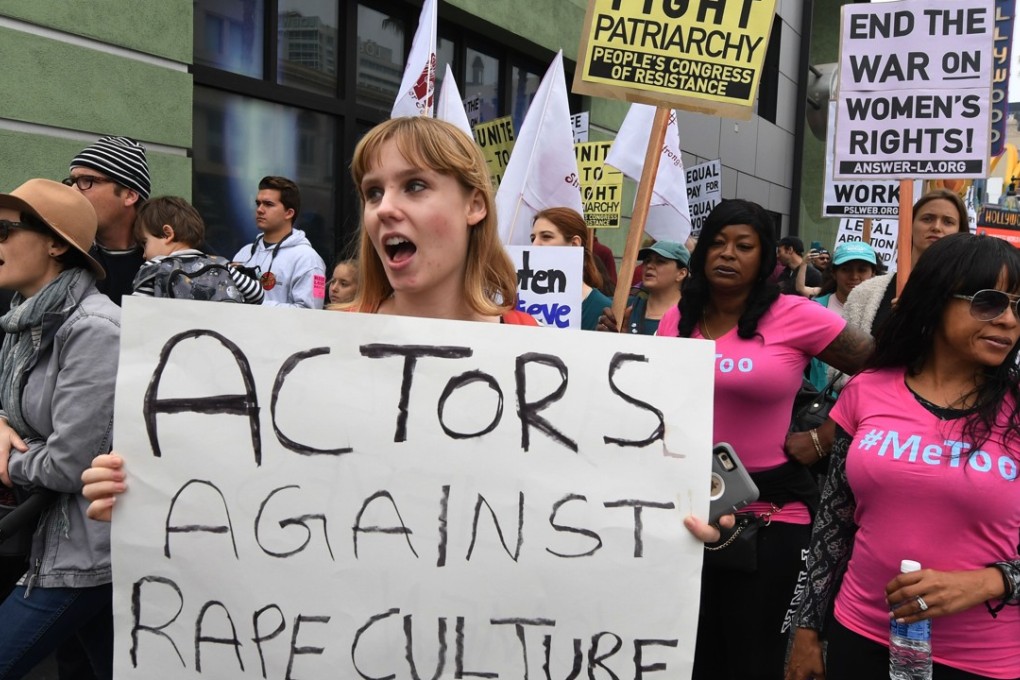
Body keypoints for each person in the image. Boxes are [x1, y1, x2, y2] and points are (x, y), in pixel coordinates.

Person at [654, 199, 873, 680]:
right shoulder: (678, 320)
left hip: (771, 516)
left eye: (743, 246)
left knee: (753, 661)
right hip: (687, 514)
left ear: (766, 257)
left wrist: (825, 435)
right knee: (691, 657)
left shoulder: (796, 315)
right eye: (716, 242)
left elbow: (884, 374)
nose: (726, 254)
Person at [786, 233, 1020, 680]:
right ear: (935, 300)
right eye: (990, 302)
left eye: (1018, 306)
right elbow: (833, 525)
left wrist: (988, 582)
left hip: (980, 659)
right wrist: (807, 629)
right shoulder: (867, 389)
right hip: (859, 638)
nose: (1009, 320)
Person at [0, 179, 120, 678]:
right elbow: (13, 410)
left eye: (5, 230)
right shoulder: (23, 323)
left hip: (83, 551)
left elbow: (71, 464)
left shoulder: (93, 329)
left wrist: (7, 461)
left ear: (55, 243)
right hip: (49, 538)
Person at [844, 188, 969, 338]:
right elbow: (843, 357)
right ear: (909, 225)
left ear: (961, 232)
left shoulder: (969, 294)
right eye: (927, 218)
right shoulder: (865, 293)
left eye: (948, 222)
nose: (936, 227)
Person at [65, 135, 151, 306]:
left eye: (87, 181)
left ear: (129, 195)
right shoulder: (63, 253)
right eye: (72, 181)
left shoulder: (179, 257)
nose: (73, 191)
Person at [131, 196, 263, 303]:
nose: (143, 254)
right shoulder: (222, 266)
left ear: (167, 234)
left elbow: (138, 313)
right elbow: (257, 293)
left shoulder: (154, 268)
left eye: (145, 243)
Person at [231, 176, 326, 309]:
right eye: (258, 203)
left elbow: (310, 314)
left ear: (289, 213)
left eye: (268, 204)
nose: (259, 209)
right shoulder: (245, 252)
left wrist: (255, 303)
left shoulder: (308, 259)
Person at [799, 241, 879, 391]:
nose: (854, 276)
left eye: (862, 270)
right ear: (834, 273)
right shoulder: (813, 310)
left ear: (873, 273)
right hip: (820, 407)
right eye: (846, 269)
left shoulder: (883, 311)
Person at [530, 207, 612, 330]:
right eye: (533, 238)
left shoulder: (602, 310)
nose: (534, 245)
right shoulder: (521, 299)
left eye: (546, 236)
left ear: (574, 244)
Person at [618, 240, 689, 335]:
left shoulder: (694, 315)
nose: (649, 265)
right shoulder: (623, 308)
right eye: (647, 261)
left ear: (681, 273)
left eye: (660, 261)